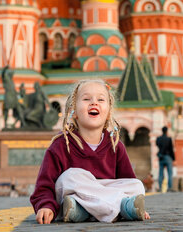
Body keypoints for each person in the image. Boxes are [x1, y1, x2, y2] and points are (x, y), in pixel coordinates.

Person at [30, 79, 150, 224]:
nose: (94, 103)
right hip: (74, 196)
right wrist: (45, 206)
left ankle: (84, 212)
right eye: (86, 99)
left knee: (136, 185)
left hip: (96, 196)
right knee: (70, 176)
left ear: (108, 112)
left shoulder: (116, 146)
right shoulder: (61, 145)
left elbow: (127, 181)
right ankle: (122, 208)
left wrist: (134, 197)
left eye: (101, 99)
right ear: (73, 111)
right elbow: (44, 186)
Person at [156, 126, 175, 192]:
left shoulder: (158, 138)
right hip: (168, 156)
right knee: (170, 173)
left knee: (161, 173)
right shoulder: (169, 139)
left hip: (161, 157)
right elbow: (171, 149)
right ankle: (169, 187)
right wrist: (173, 158)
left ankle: (160, 187)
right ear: (167, 131)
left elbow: (157, 145)